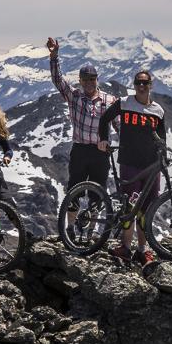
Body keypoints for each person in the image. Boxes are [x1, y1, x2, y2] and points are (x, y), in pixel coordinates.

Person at [96, 69, 165, 266]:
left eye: (145, 83)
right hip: (129, 163)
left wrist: (164, 156)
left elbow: (162, 139)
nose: (141, 86)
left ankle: (143, 250)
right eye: (138, 83)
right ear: (134, 85)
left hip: (152, 167)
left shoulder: (159, 111)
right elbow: (104, 118)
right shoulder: (125, 102)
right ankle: (125, 248)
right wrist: (102, 139)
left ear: (151, 85)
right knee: (130, 207)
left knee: (148, 209)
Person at [48, 36, 117, 227]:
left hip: (101, 152)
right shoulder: (75, 96)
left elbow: (119, 125)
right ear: (80, 80)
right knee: (75, 190)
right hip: (79, 150)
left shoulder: (109, 100)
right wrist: (54, 56)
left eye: (92, 79)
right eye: (85, 79)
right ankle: (70, 229)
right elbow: (57, 80)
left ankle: (91, 234)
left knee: (98, 192)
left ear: (97, 79)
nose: (89, 82)